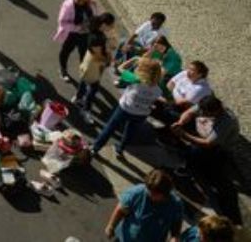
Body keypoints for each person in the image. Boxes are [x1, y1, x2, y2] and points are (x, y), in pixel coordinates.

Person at [172, 96, 242, 225]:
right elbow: (189, 112)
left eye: (206, 113)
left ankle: (229, 215)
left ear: (215, 111)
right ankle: (192, 165)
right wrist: (180, 123)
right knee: (172, 114)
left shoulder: (227, 121)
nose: (202, 114)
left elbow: (208, 143)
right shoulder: (206, 105)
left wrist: (183, 135)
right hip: (202, 137)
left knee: (217, 179)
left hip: (218, 149)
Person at [91, 58, 162, 156]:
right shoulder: (158, 90)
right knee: (129, 132)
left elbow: (120, 68)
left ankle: (95, 148)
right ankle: (120, 150)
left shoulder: (135, 79)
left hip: (125, 109)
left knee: (110, 128)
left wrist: (134, 59)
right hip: (141, 114)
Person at [104, 169, 183, 241]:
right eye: (149, 191)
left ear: (165, 193)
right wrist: (111, 226)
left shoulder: (175, 205)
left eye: (154, 194)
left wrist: (175, 238)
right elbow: (121, 209)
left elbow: (176, 227)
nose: (150, 195)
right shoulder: (137, 193)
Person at [73, 13, 116, 124]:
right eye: (111, 25)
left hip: (92, 63)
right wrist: (108, 58)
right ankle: (85, 110)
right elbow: (97, 56)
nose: (112, 27)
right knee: (93, 89)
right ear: (104, 24)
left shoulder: (98, 33)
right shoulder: (96, 38)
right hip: (93, 64)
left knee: (85, 80)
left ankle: (78, 98)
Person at [54, 0, 97, 82]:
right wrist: (78, 27)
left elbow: (94, 16)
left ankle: (83, 72)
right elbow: (62, 22)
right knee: (66, 52)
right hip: (71, 35)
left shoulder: (90, 3)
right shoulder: (68, 5)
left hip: (85, 35)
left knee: (84, 55)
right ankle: (63, 70)